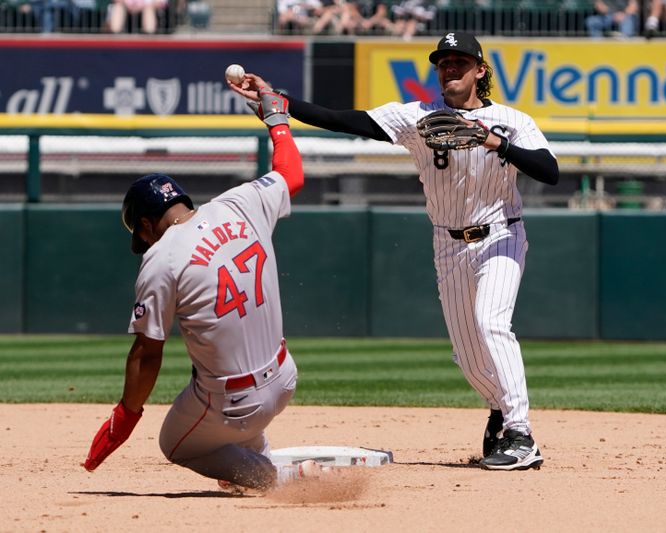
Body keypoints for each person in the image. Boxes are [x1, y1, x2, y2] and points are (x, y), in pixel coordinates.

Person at [231, 31, 559, 471]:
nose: (450, 68)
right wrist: (277, 99)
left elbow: (550, 170)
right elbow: (345, 119)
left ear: (480, 71)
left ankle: (521, 434)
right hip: (448, 242)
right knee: (468, 353)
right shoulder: (418, 116)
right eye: (443, 62)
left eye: (460, 61)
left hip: (501, 233)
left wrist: (494, 141)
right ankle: (501, 409)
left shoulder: (512, 121)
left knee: (491, 322)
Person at [83, 81, 322, 490]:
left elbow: (147, 352)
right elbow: (291, 174)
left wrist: (125, 415)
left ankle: (275, 478)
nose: (145, 243)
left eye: (142, 235)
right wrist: (277, 122)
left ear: (145, 224)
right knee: (219, 402)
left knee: (175, 444)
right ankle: (251, 457)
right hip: (284, 379)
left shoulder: (162, 257)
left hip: (234, 403)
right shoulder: (240, 202)